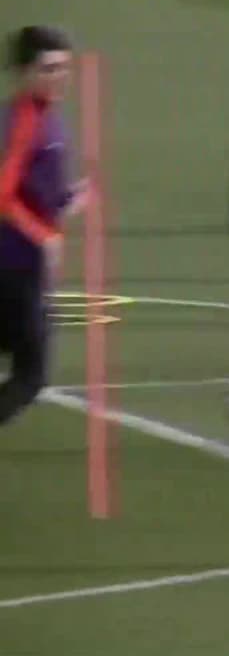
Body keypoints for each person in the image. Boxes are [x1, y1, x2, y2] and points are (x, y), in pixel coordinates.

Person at [0, 26, 85, 429]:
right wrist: (44, 237)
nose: (60, 77)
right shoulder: (23, 121)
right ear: (24, 72)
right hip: (13, 263)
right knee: (31, 375)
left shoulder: (45, 116)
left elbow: (33, 191)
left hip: (25, 264)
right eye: (49, 69)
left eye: (64, 68)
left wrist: (68, 199)